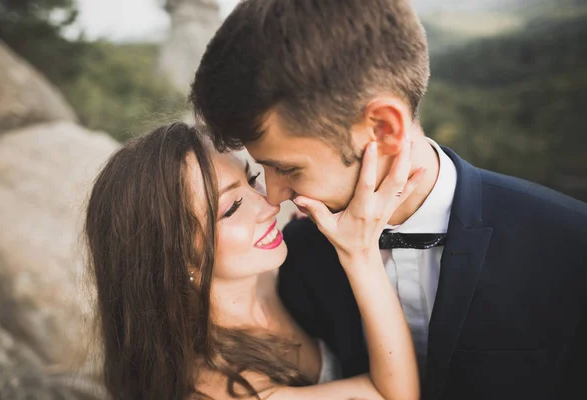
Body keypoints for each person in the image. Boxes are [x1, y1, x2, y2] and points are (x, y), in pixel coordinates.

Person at [189, 0, 587, 399]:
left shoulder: (569, 246)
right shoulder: (295, 259)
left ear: (383, 129)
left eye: (289, 169)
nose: (274, 198)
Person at [84, 122, 422, 400]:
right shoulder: (225, 390)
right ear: (173, 259)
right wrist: (361, 252)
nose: (269, 205)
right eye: (231, 208)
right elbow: (394, 396)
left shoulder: (275, 269)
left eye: (251, 180)